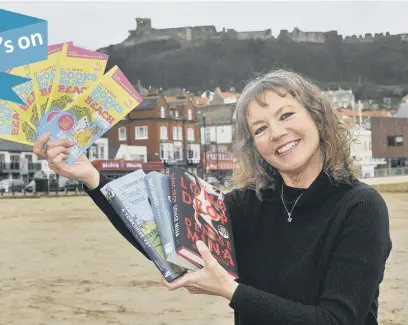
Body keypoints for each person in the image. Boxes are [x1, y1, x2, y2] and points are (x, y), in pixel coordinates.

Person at [33, 69, 392, 325]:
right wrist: (93, 178)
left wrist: (231, 292)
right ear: (254, 146)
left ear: (317, 119)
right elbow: (159, 235)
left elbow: (336, 319)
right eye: (261, 129)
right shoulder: (247, 205)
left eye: (286, 115)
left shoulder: (359, 207)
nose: (278, 133)